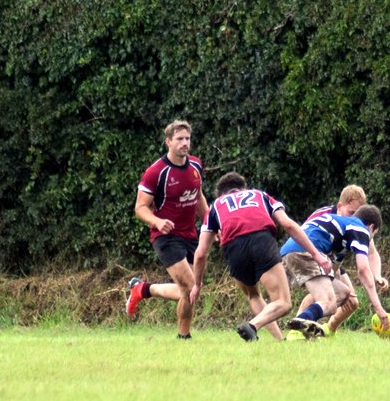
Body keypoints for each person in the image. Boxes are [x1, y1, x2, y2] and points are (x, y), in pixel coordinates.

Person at [190, 172, 330, 341]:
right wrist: (316, 254)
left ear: (221, 194)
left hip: (233, 248)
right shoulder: (260, 195)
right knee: (283, 302)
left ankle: (279, 340)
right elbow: (288, 224)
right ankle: (251, 326)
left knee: (253, 295)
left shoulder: (215, 207)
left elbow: (200, 254)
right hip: (261, 240)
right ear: (244, 188)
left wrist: (197, 284)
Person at [124, 120, 206, 339]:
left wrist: (210, 224)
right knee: (191, 286)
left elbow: (198, 196)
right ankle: (183, 336)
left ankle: (143, 290)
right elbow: (140, 207)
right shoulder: (156, 172)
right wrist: (157, 222)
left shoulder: (196, 165)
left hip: (191, 235)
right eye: (179, 139)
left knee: (188, 291)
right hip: (166, 236)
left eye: (187, 138)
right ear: (168, 142)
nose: (185, 143)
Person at [281, 204, 390, 339]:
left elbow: (332, 272)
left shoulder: (343, 230)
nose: (370, 240)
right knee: (328, 302)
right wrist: (379, 309)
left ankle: (303, 327)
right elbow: (363, 269)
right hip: (305, 251)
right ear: (371, 227)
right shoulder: (361, 229)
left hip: (288, 251)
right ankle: (299, 326)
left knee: (342, 293)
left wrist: (376, 276)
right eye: (373, 234)